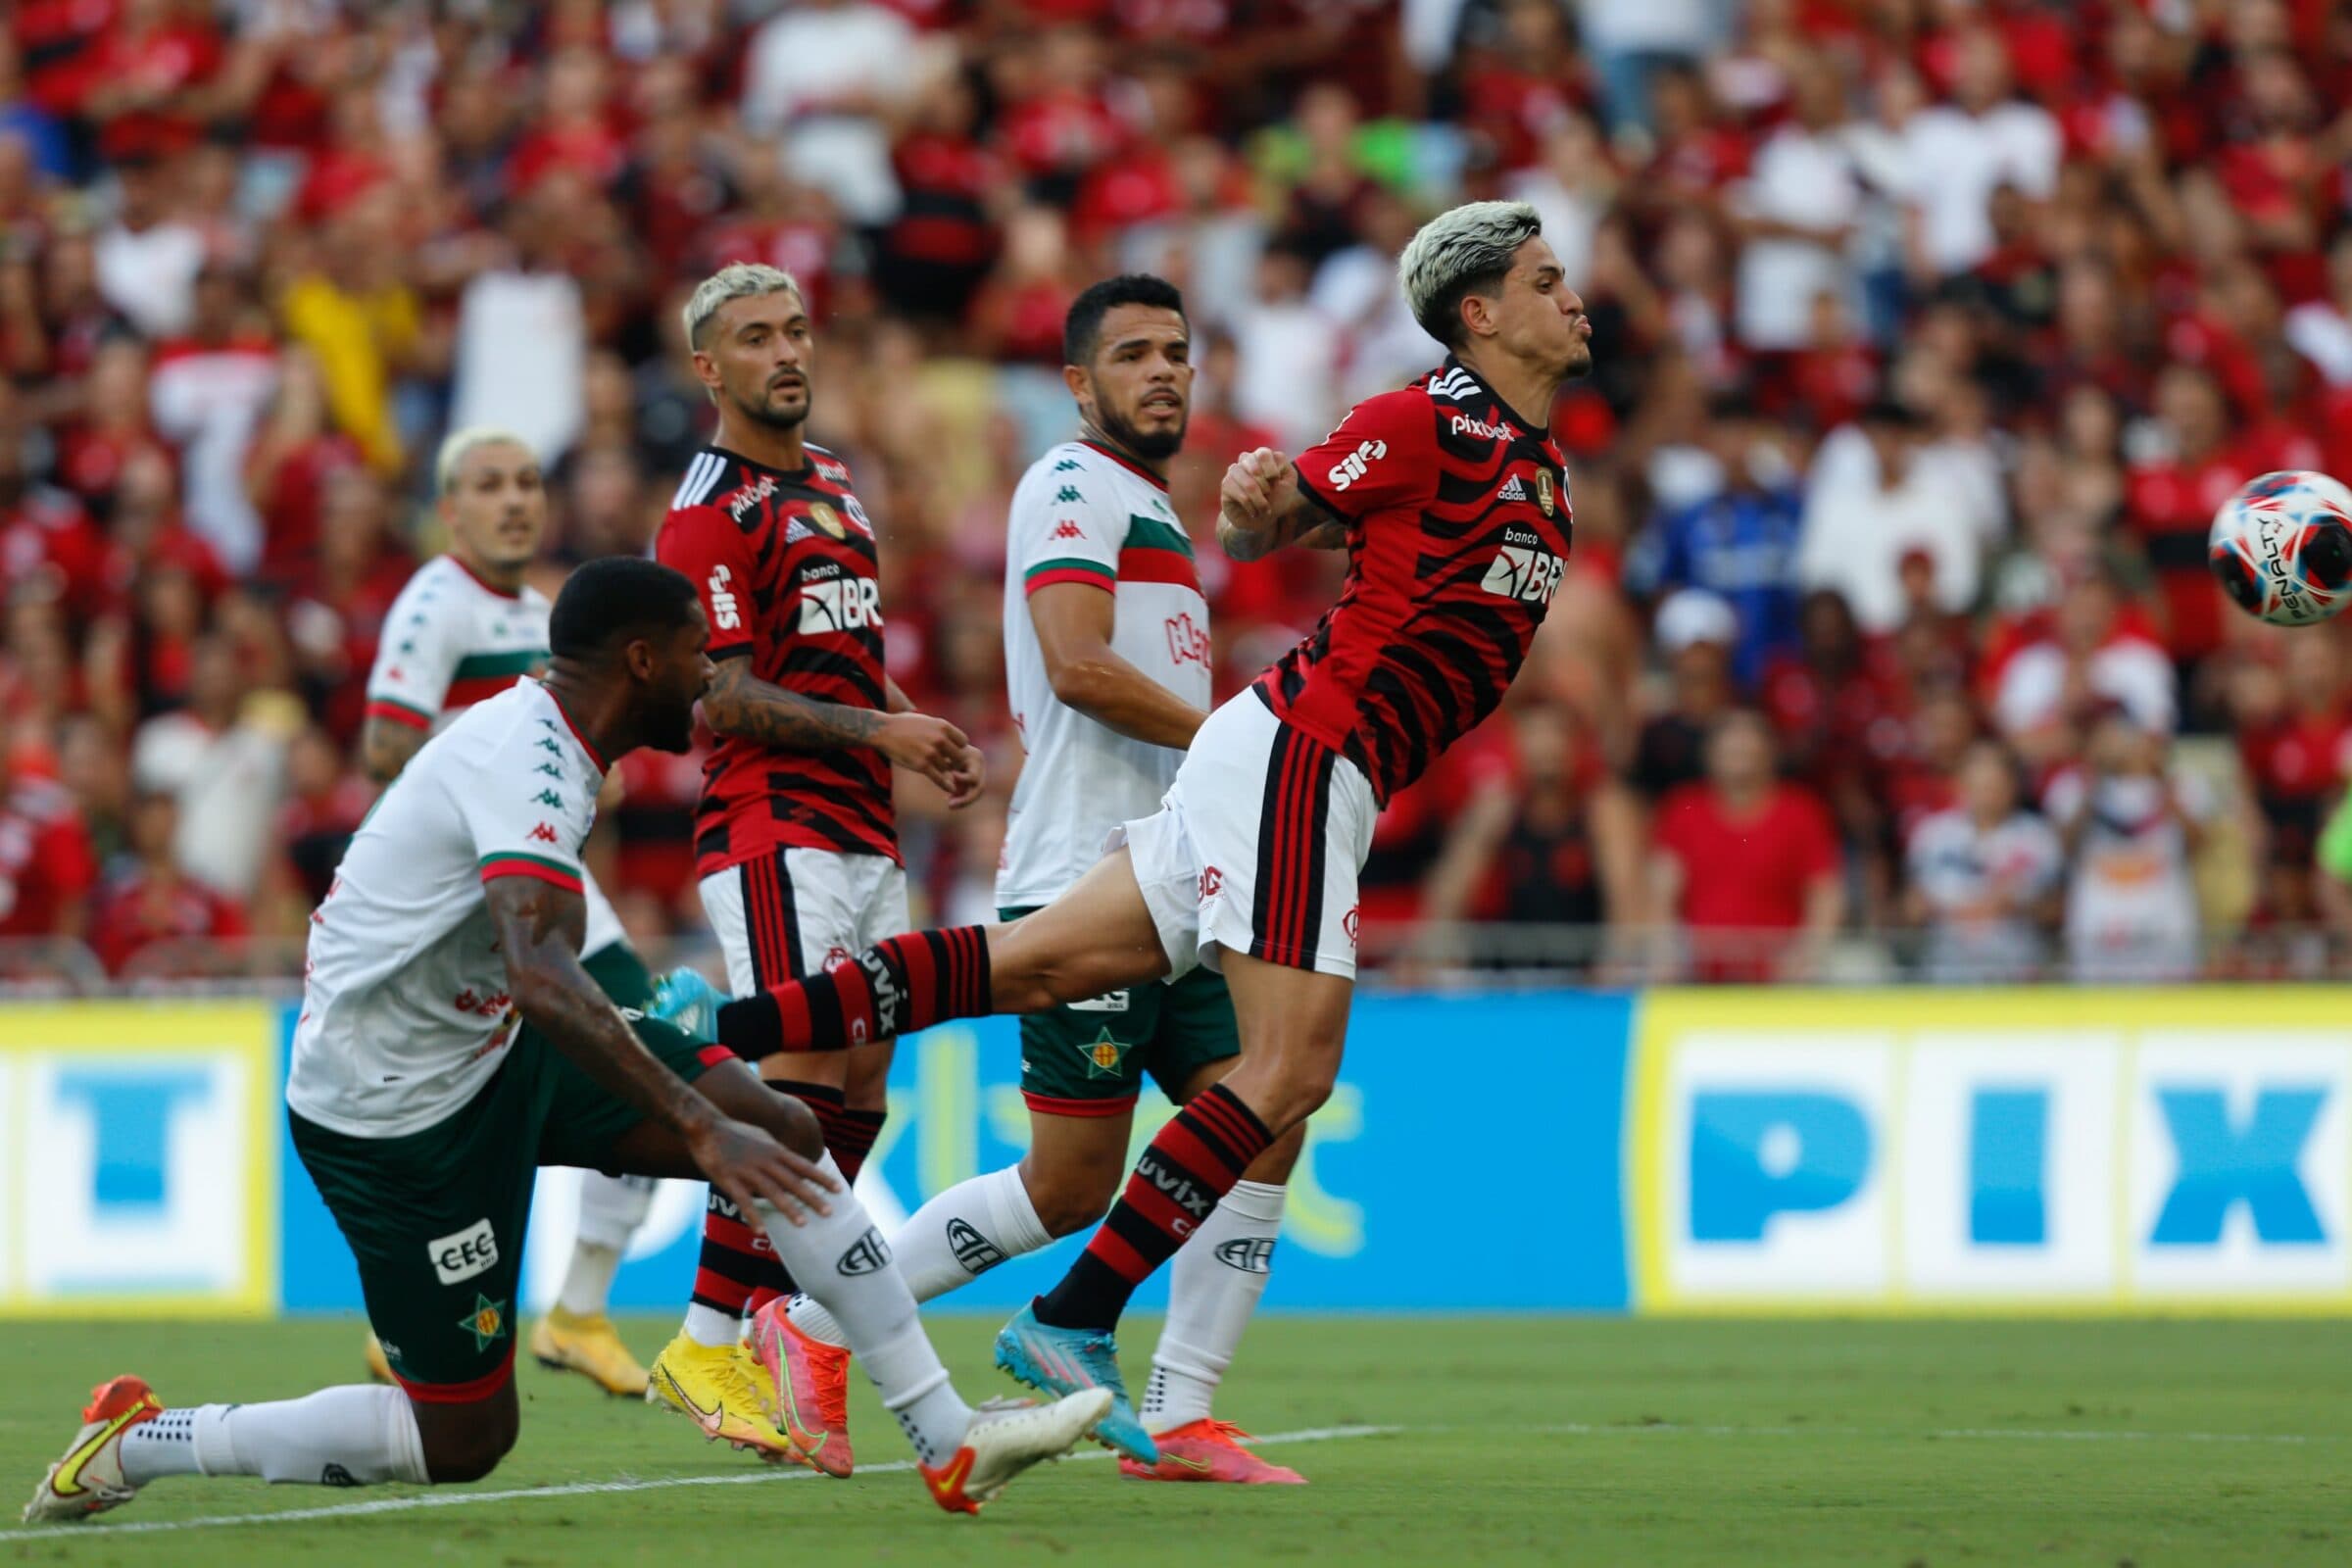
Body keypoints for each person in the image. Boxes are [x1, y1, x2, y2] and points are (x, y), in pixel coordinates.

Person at [659, 200, 1589, 1463]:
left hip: (1239, 799)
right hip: (1281, 767)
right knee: (1264, 1083)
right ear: (1479, 313)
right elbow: (1140, 618)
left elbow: (1272, 540)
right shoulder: (1382, 427)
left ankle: (715, 1031)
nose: (1574, 295)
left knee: (1131, 1044)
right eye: (1546, 279)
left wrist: (1249, 540)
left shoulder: (1537, 472)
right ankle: (1067, 1317)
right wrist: (1264, 516)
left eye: (1180, 355)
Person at [20, 560, 1106, 1526]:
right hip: (392, 1118)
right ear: (641, 659)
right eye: (696, 653)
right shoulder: (526, 756)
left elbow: (540, 961)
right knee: (464, 1442)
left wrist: (706, 1108)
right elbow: (542, 971)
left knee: (775, 1119)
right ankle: (141, 1441)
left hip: (492, 1046)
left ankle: (948, 1435)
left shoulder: (564, 745)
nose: (708, 675)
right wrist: (689, 1122)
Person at [760, 275, 1308, 1485]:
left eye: (1177, 352)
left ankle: (1176, 1414)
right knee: (1069, 1186)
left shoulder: (1150, 503)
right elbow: (1076, 666)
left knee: (1266, 1118)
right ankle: (805, 1324)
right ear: (1078, 383)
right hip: (1085, 880)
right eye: (1132, 355)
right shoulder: (1070, 484)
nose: (1163, 372)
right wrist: (1241, 738)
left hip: (1180, 880)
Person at [648, 263, 984, 1457]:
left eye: (795, 331)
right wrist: (880, 731)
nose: (786, 352)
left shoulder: (834, 481)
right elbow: (724, 699)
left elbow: (834, 656)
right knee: (797, 1077)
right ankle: (703, 1337)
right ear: (709, 368)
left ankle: (787, 1315)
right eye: (754, 338)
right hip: (773, 820)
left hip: (861, 822)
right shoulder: (707, 510)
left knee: (860, 1090)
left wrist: (909, 723)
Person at [354, 427, 658, 1400]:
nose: (515, 501)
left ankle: (578, 1308)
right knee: (477, 1102)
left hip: (552, 879)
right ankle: (402, 1313)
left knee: (658, 1040)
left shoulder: (544, 613)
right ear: (451, 511)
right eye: (489, 486)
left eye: (528, 482)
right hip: (475, 893)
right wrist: (498, 798)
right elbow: (381, 745)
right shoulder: (436, 603)